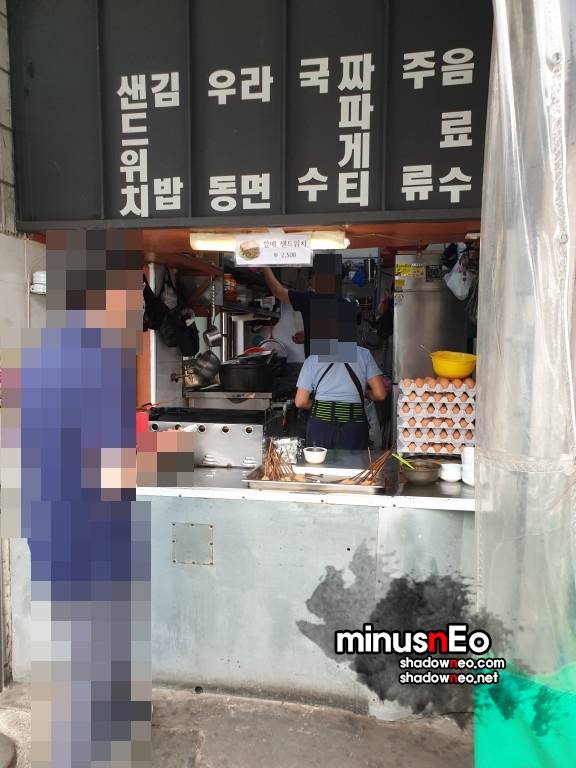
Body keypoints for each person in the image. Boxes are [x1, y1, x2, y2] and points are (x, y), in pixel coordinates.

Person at [294, 345, 387, 450]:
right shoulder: (363, 354)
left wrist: (321, 406)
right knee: (354, 460)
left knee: (320, 460)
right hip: (353, 427)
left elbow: (301, 402)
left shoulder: (313, 358)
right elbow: (380, 395)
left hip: (320, 427)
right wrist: (363, 392)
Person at [262, 255, 349, 358]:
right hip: (341, 363)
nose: (313, 277)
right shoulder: (345, 303)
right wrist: (309, 336)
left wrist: (263, 263)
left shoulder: (311, 299)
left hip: (317, 366)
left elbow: (278, 291)